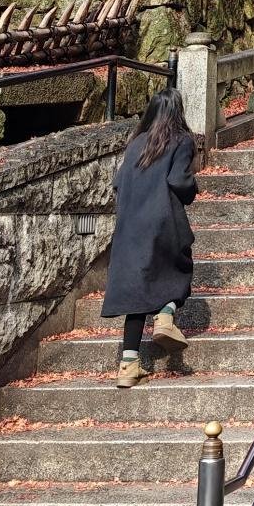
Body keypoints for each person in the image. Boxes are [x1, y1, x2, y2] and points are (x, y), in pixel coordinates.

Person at [102, 85, 198, 387]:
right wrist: (194, 188)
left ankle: (128, 366)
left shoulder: (136, 143)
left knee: (137, 294)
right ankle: (166, 316)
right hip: (163, 219)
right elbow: (179, 182)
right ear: (177, 111)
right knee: (178, 271)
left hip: (130, 226)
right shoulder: (182, 141)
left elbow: (118, 183)